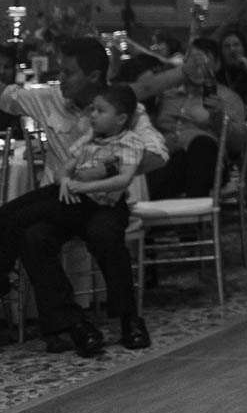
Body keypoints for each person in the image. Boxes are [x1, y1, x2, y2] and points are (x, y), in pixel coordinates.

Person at [0, 39, 168, 354]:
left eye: (68, 72)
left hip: (103, 202)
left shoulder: (123, 107)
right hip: (61, 202)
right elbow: (7, 98)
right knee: (34, 235)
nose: (59, 78)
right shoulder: (50, 99)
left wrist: (108, 167)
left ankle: (129, 319)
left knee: (104, 232)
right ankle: (73, 324)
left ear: (92, 76)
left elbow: (158, 153)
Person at [143, 36, 247, 200]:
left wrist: (219, 117)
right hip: (166, 157)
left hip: (209, 163)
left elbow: (237, 144)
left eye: (204, 60)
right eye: (193, 60)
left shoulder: (227, 97)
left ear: (217, 64)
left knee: (201, 144)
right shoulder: (167, 93)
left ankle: (196, 217)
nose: (198, 66)